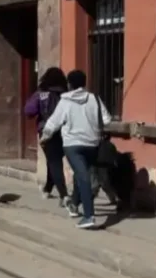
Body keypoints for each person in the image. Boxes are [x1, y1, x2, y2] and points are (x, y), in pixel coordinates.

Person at [40, 69, 112, 230]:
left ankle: (89, 216)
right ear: (84, 83)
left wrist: (45, 137)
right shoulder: (94, 98)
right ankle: (74, 204)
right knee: (83, 173)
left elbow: (53, 123)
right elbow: (107, 119)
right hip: (92, 143)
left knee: (82, 176)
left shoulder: (65, 102)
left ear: (70, 84)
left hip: (72, 145)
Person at [24, 66, 69, 205]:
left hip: (47, 131)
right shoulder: (67, 94)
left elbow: (29, 111)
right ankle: (48, 188)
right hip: (66, 131)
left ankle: (64, 195)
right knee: (53, 159)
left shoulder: (41, 94)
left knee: (54, 161)